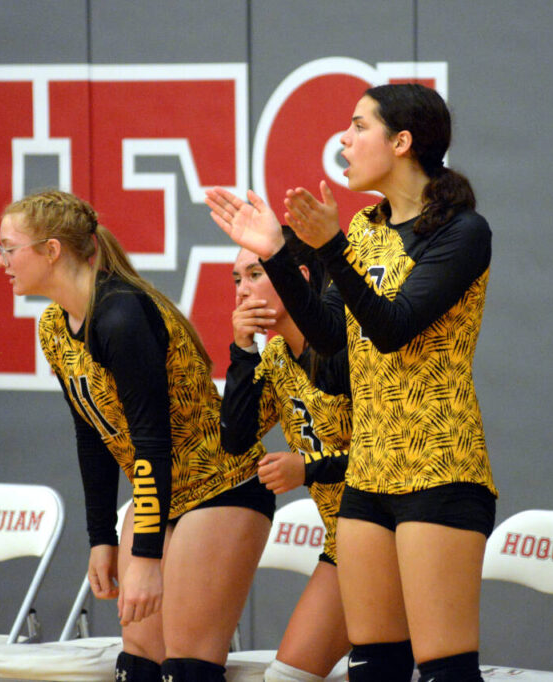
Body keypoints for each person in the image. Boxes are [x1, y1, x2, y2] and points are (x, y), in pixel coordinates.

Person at [206, 82, 496, 682]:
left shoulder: (462, 233)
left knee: (444, 668)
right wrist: (280, 255)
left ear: (402, 142)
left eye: (360, 126)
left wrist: (328, 246)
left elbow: (393, 329)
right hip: (369, 474)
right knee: (374, 667)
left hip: (438, 467)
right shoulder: (364, 229)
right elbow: (333, 348)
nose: (344, 137)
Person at [0, 189, 273, 682]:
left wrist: (145, 555)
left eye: (9, 248)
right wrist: (101, 537)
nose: (1, 261)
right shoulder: (54, 328)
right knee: (139, 663)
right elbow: (91, 435)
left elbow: (151, 440)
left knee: (185, 666)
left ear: (52, 250)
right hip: (159, 496)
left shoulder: (121, 314)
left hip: (219, 485)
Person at [220, 229, 353, 682]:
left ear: (294, 276)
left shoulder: (348, 344)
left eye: (255, 274)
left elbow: (393, 455)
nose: (242, 290)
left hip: (396, 533)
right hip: (344, 543)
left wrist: (308, 468)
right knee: (286, 678)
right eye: (236, 279)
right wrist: (242, 349)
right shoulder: (276, 354)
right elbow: (236, 439)